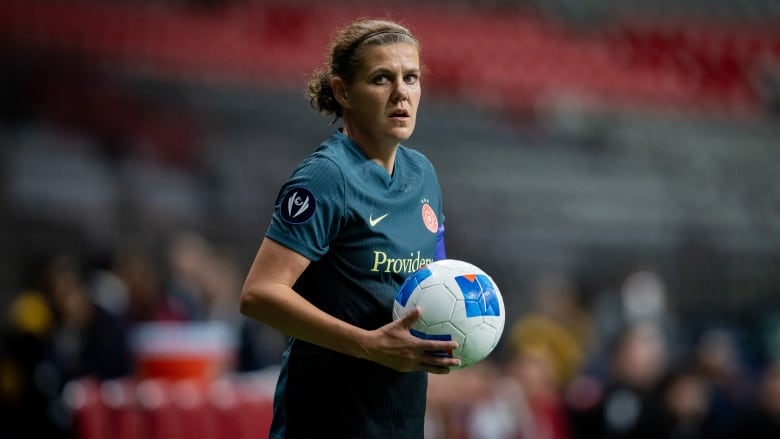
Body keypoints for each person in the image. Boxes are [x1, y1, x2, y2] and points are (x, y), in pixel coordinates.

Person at [239, 18, 460, 438]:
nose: (402, 93)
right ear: (343, 91)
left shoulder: (423, 173)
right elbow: (259, 295)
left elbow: (436, 277)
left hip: (400, 419)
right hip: (324, 423)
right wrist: (368, 344)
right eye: (381, 79)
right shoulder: (326, 177)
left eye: (410, 78)